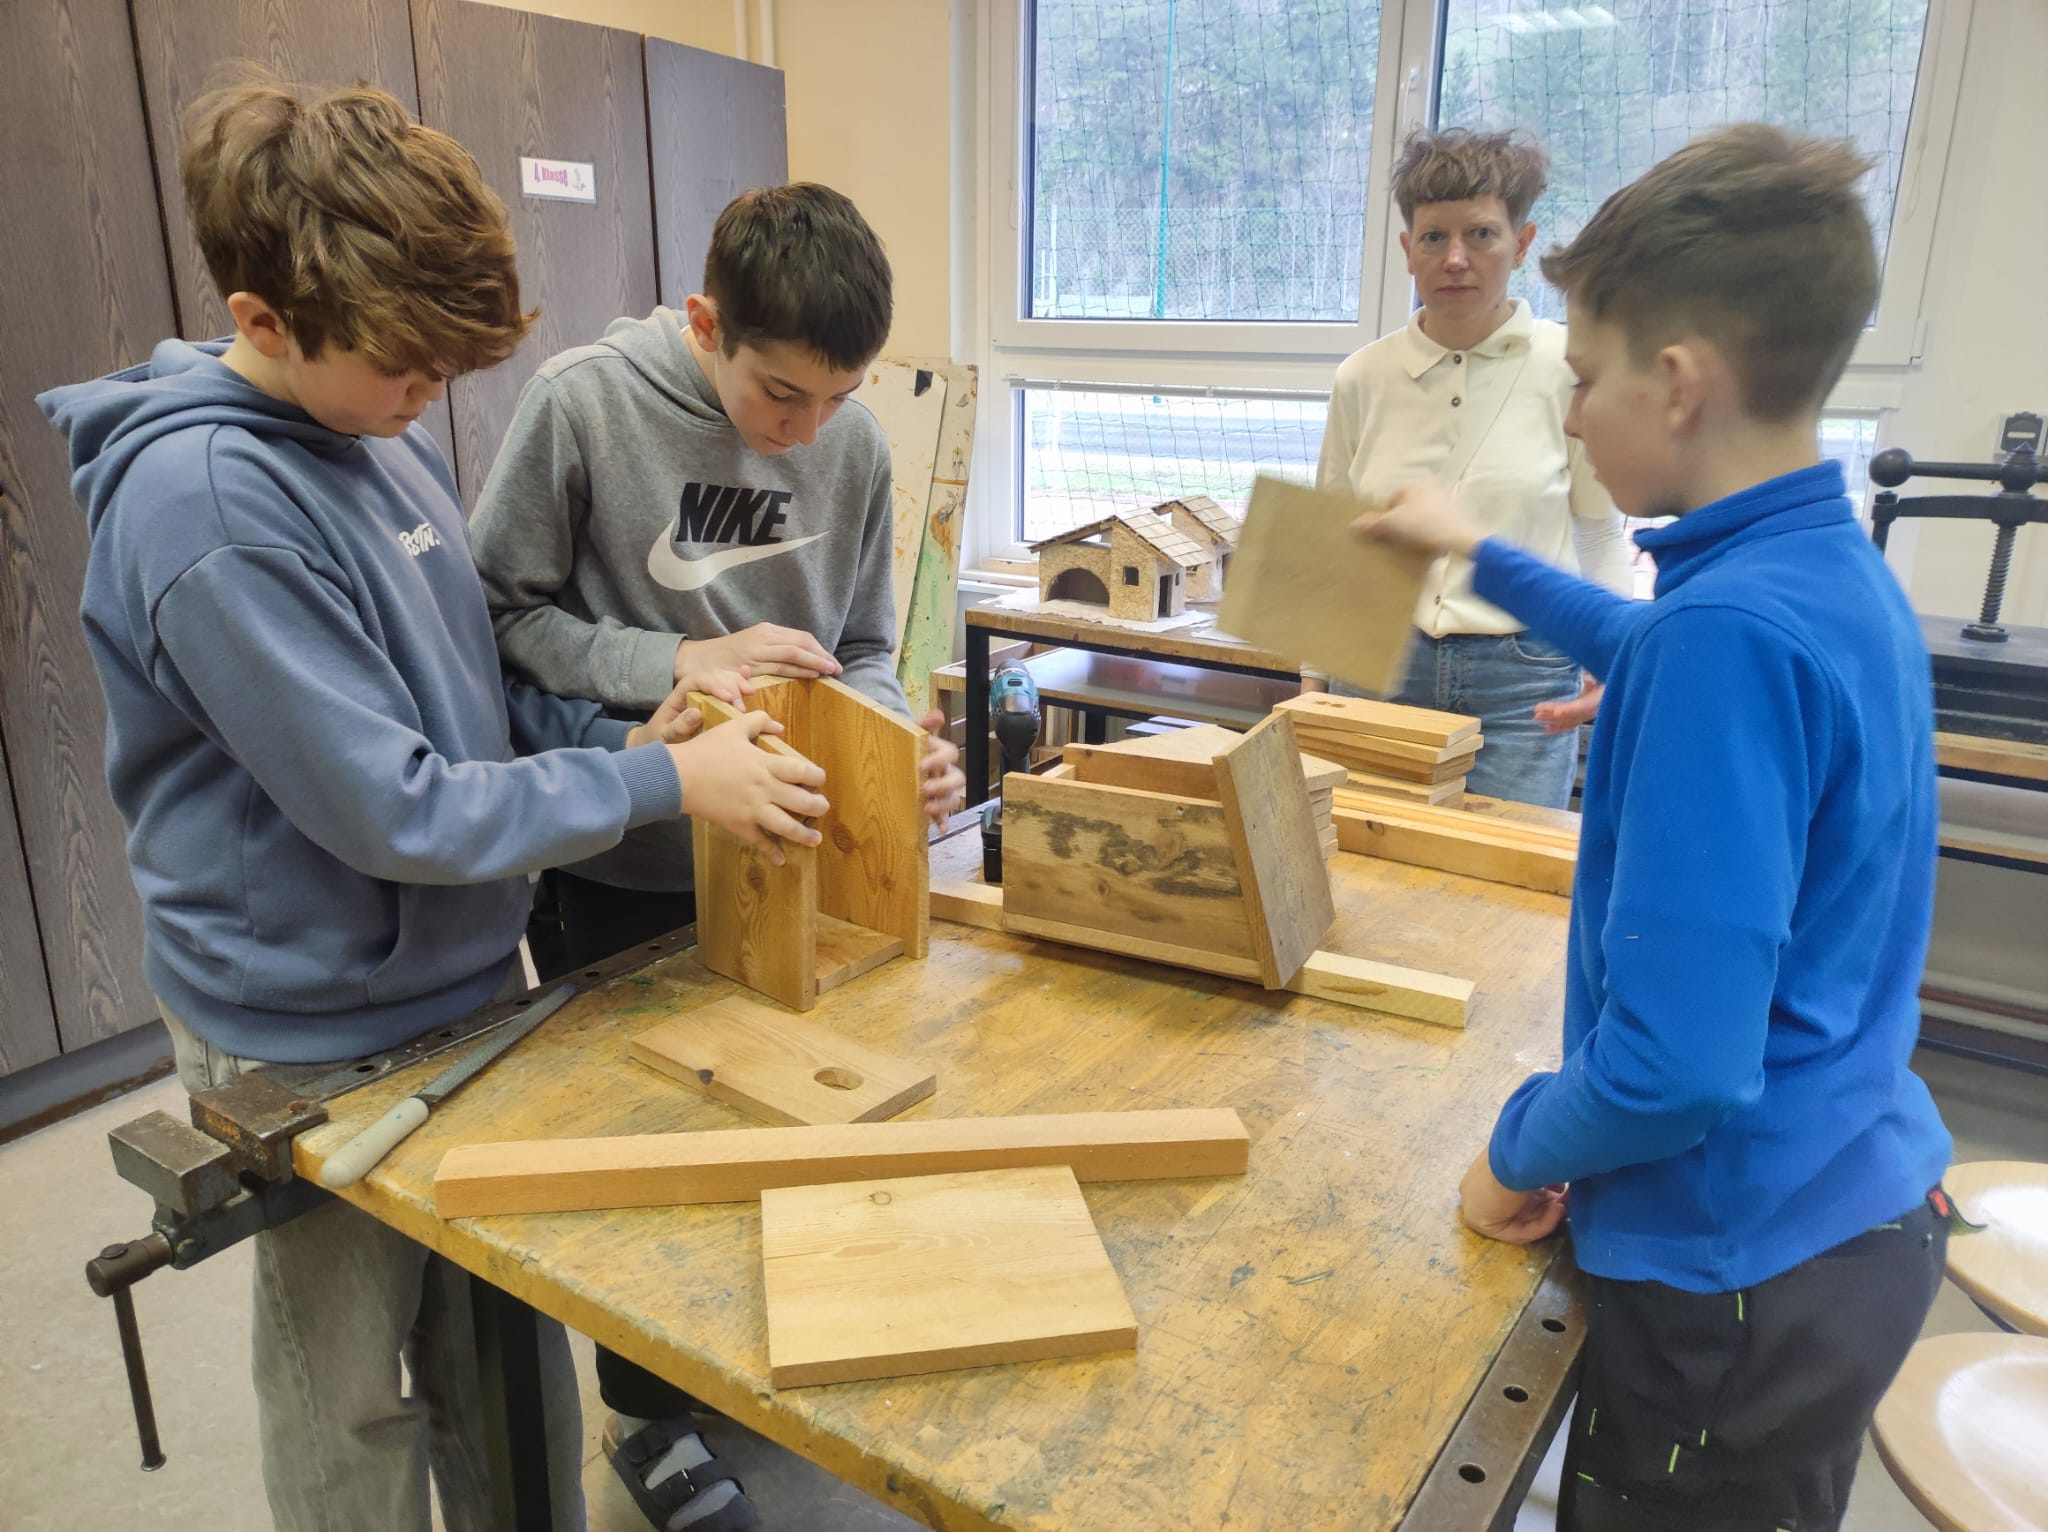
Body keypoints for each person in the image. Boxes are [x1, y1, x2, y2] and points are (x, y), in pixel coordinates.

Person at [38, 80, 826, 1532]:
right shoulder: (207, 511)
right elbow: (394, 809)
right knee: (350, 1389)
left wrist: (627, 728)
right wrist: (658, 781)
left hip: (461, 978)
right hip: (306, 1021)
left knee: (499, 1345)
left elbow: (467, 696)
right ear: (264, 319)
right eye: (405, 369)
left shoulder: (369, 434)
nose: (429, 399)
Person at [1358, 124, 1953, 1532]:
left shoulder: (1723, 639)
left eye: (1583, 379)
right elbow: (1657, 638)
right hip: (1845, 1204)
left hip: (1730, 1268)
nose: (1570, 417)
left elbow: (1672, 1068)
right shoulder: (1821, 573)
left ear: (1676, 383)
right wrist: (1476, 549)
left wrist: (1508, 1156)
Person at [468, 181, 964, 1532]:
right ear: (704, 323)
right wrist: (676, 656)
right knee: (654, 1145)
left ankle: (755, 1354)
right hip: (630, 857)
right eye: (778, 395)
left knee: (793, 1110)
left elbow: (863, 645)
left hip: (798, 858)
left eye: (837, 398)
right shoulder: (585, 406)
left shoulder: (851, 441)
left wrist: (890, 748)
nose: (806, 430)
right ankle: (649, 1413)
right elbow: (499, 618)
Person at [1310, 127, 1632, 807]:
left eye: (1481, 235)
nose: (1455, 259)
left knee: (1507, 858)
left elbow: (1599, 530)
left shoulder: (1568, 366)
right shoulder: (1362, 378)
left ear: (1522, 242)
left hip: (1524, 677)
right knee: (1359, 852)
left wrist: (1613, 655)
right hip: (1378, 660)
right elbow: (1333, 533)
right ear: (1408, 250)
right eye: (1434, 238)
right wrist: (1314, 677)